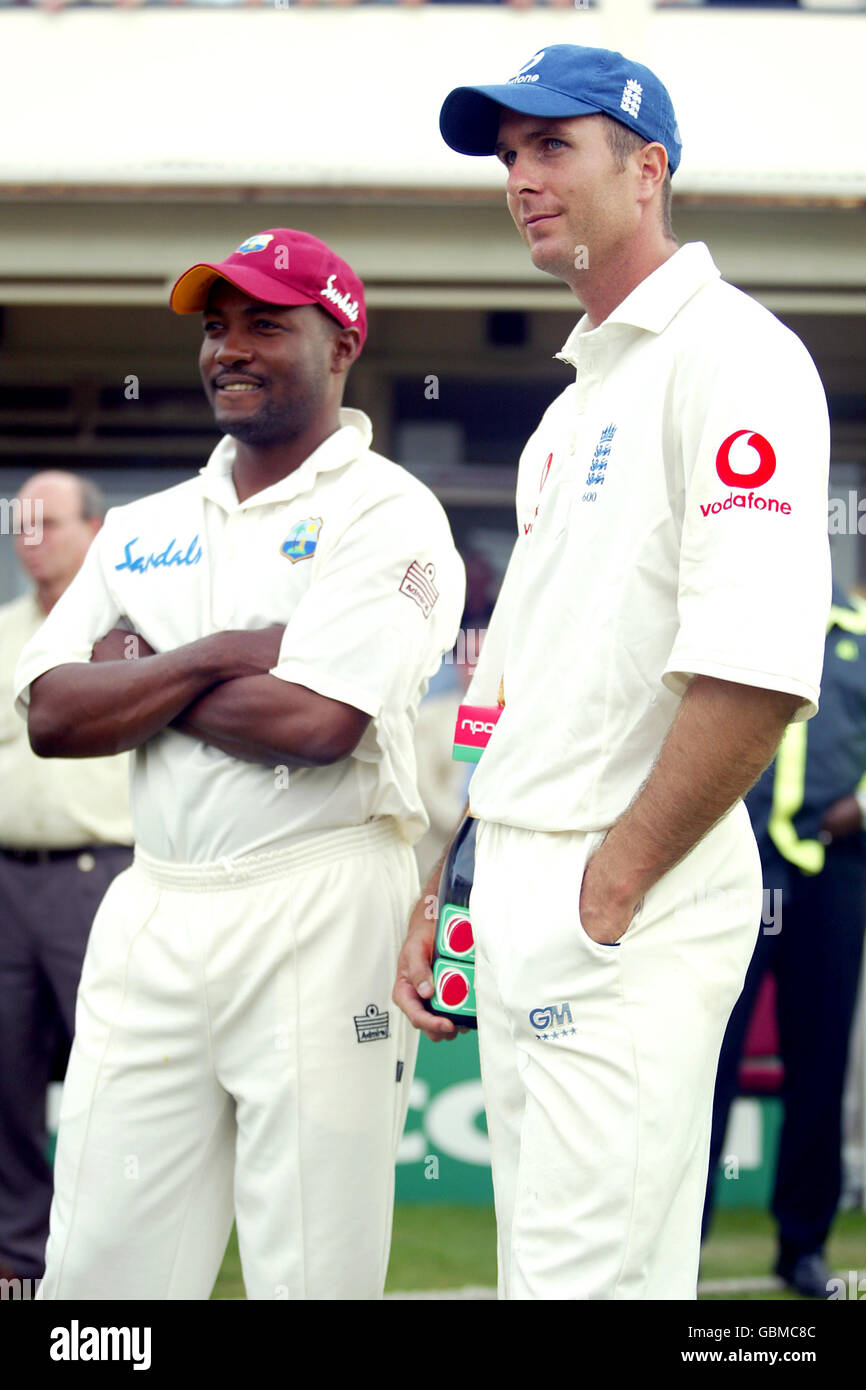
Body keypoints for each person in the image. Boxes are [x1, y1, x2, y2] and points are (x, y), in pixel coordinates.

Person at [393, 43, 831, 1299]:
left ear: (645, 171)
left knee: (585, 1283)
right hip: (528, 876)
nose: (518, 177)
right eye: (506, 155)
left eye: (549, 146)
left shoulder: (732, 354)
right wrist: (453, 876)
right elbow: (514, 686)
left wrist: (611, 882)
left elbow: (752, 666)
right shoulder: (573, 403)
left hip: (620, 892)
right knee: (559, 1274)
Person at [14, 229, 465, 1300]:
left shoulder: (390, 511)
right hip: (155, 898)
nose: (230, 347)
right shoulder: (142, 526)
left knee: (309, 1264)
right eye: (217, 327)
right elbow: (53, 713)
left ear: (341, 338)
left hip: (319, 898)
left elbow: (318, 724)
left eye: (267, 322)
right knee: (97, 1269)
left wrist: (145, 674)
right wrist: (222, 652)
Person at [703, 584, 866, 1299]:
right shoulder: (732, 617)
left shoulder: (858, 634)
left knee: (820, 1063)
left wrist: (858, 808)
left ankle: (803, 1246)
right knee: (705, 1057)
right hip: (728, 863)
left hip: (835, 869)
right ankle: (679, 1238)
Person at [0, 471, 133, 1290]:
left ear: (96, 529)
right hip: (8, 879)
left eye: (49, 520)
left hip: (103, 877)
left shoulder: (127, 633)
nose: (31, 533)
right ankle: (17, 1253)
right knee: (5, 1070)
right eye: (20, 521)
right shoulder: (5, 628)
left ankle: (115, 1252)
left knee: (116, 1073)